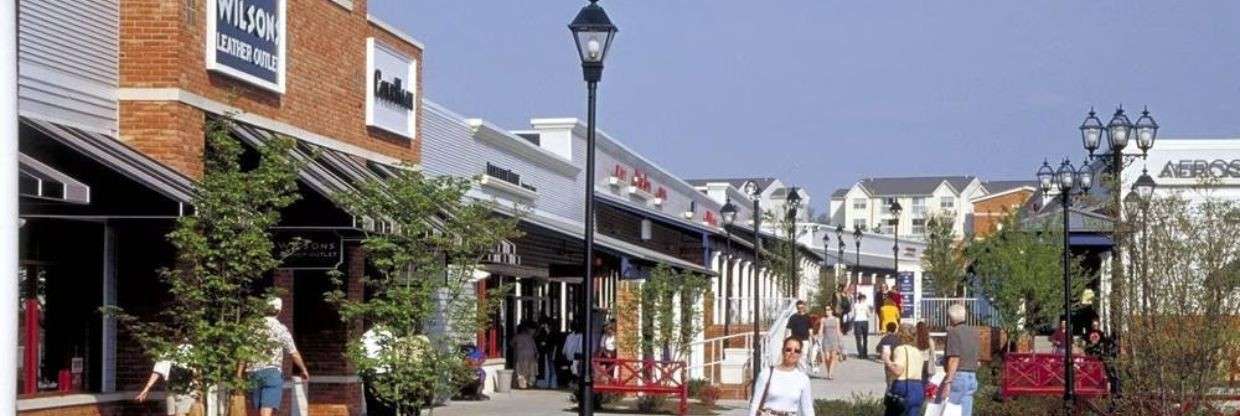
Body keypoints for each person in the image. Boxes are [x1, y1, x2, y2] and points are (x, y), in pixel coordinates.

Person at [248, 298, 310, 416]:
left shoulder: (253, 327)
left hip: (253, 371)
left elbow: (244, 352)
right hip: (272, 371)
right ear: (279, 311)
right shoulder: (281, 329)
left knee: (256, 409)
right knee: (266, 410)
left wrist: (239, 373)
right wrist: (304, 370)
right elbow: (293, 353)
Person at [747, 337, 815, 416]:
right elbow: (755, 403)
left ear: (800, 354)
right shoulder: (766, 374)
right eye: (788, 349)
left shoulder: (803, 379)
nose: (792, 352)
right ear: (783, 351)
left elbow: (807, 408)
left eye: (796, 351)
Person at [939, 303, 979, 416]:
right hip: (972, 376)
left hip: (958, 376)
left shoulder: (953, 332)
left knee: (949, 410)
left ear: (950, 317)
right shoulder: (974, 332)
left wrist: (948, 382)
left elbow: (954, 359)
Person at [136, 344, 196, 416]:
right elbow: (157, 371)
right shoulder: (166, 351)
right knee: (172, 414)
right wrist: (146, 389)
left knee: (181, 414)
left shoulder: (189, 349)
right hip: (171, 388)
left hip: (186, 389)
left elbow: (197, 369)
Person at [885, 324, 926, 416]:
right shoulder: (918, 352)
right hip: (918, 388)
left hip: (903, 387)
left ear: (900, 334)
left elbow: (898, 370)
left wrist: (887, 359)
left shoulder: (900, 349)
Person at [817, 307, 844, 380]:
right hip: (826, 340)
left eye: (828, 310)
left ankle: (830, 374)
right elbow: (821, 329)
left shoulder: (837, 319)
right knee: (827, 357)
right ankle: (829, 371)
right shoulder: (823, 319)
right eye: (826, 310)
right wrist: (819, 335)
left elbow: (838, 330)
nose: (827, 311)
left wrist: (840, 340)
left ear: (832, 311)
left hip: (834, 340)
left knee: (833, 357)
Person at [785, 300, 812, 368]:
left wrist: (812, 338)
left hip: (805, 339)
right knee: (796, 354)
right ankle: (798, 369)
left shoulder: (807, 317)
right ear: (797, 308)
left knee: (804, 355)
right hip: (795, 340)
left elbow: (810, 329)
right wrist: (786, 338)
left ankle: (802, 370)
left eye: (801, 307)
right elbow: (788, 328)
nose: (800, 309)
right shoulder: (793, 317)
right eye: (798, 308)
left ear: (804, 307)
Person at [510, 323, 538, 389]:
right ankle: (529, 383)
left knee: (520, 370)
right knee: (529, 369)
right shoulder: (529, 337)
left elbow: (511, 344)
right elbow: (534, 346)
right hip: (531, 355)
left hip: (521, 355)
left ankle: (522, 385)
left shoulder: (517, 336)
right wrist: (536, 353)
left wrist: (516, 347)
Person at [852, 294, 871, 359]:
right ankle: (864, 353)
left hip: (858, 321)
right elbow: (869, 315)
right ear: (862, 299)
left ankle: (861, 354)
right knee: (864, 338)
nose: (864, 300)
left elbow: (854, 314)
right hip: (864, 321)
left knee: (859, 338)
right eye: (864, 299)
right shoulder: (865, 305)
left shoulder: (855, 305)